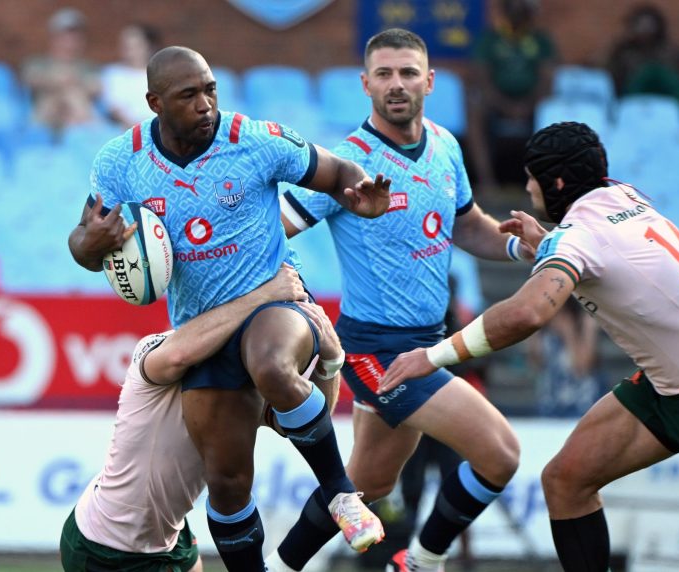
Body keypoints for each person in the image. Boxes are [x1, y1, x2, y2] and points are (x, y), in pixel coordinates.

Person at [381, 121, 679, 572]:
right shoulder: (622, 195)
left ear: (554, 186)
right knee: (566, 482)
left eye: (531, 179)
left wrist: (432, 355)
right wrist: (550, 242)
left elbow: (528, 313)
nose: (526, 189)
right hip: (670, 386)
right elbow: (608, 253)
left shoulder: (580, 235)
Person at [67, 46, 392, 571]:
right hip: (204, 331)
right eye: (188, 95)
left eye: (210, 90)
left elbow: (339, 173)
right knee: (226, 481)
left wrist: (361, 196)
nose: (205, 105)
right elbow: (83, 243)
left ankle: (340, 492)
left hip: (278, 300)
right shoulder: (121, 162)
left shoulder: (255, 141)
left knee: (269, 363)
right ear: (154, 103)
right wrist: (92, 243)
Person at [272, 28, 547, 572]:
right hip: (375, 349)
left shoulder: (445, 146)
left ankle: (278, 568)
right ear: (365, 84)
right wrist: (282, 291)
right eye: (384, 74)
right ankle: (421, 561)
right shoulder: (346, 162)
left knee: (369, 482)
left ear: (429, 80)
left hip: (429, 341)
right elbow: (275, 230)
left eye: (407, 73)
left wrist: (520, 245)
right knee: (500, 452)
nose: (396, 85)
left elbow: (467, 228)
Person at [61, 265, 343, 572]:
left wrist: (331, 362)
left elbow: (304, 425)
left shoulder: (248, 373)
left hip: (170, 537)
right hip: (107, 544)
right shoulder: (157, 348)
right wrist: (266, 293)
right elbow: (179, 357)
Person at [465, 0, 557, 190]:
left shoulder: (540, 40)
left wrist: (528, 105)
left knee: (553, 114)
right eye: (513, 11)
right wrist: (506, 106)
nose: (518, 17)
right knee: (474, 109)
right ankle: (487, 182)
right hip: (496, 102)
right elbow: (482, 80)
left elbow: (546, 81)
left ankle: (542, 183)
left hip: (533, 104)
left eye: (523, 12)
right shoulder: (490, 39)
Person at [22, 7, 100, 133]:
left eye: (76, 36)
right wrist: (59, 81)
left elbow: (96, 87)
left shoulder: (88, 66)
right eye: (66, 35)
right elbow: (31, 79)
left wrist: (65, 83)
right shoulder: (38, 63)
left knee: (73, 95)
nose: (71, 41)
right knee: (62, 95)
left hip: (76, 119)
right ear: (54, 38)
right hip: (46, 115)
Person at [526, 301, 603, 417]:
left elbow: (582, 367)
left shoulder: (583, 324)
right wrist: (533, 333)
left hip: (579, 402)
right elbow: (536, 363)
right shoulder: (546, 333)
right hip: (550, 401)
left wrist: (568, 334)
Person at [606, 4, 679, 107]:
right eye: (641, 25)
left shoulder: (669, 52)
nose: (645, 30)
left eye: (649, 25)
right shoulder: (623, 53)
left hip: (666, 102)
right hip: (631, 102)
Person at [101, 23, 161, 129]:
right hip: (126, 131)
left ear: (149, 46)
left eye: (135, 46)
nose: (129, 51)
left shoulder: (160, 74)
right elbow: (113, 108)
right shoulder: (112, 74)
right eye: (125, 46)